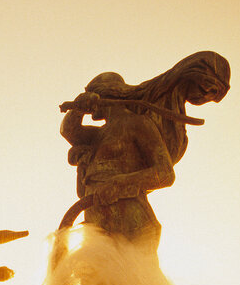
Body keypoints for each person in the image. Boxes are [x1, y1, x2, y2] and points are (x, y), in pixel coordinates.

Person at [59, 51, 230, 253]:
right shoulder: (99, 135)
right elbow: (69, 131)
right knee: (94, 280)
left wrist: (120, 183)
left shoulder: (138, 124)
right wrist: (78, 108)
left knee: (124, 280)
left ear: (106, 95)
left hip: (131, 220)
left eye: (93, 93)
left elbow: (165, 174)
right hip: (97, 220)